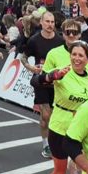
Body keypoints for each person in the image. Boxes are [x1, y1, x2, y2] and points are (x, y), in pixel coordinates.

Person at [38, 40, 88, 174]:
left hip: (81, 127)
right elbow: (37, 80)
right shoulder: (63, 72)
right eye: (74, 54)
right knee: (60, 171)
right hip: (60, 125)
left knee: (86, 170)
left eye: (81, 55)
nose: (77, 58)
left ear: (87, 59)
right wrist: (52, 76)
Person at [21, 10, 63, 158]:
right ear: (41, 23)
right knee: (46, 115)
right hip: (40, 81)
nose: (50, 25)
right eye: (47, 22)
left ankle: (53, 142)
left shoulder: (60, 41)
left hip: (57, 83)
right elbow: (23, 57)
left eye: (52, 22)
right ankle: (46, 145)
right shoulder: (34, 40)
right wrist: (31, 67)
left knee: (54, 116)